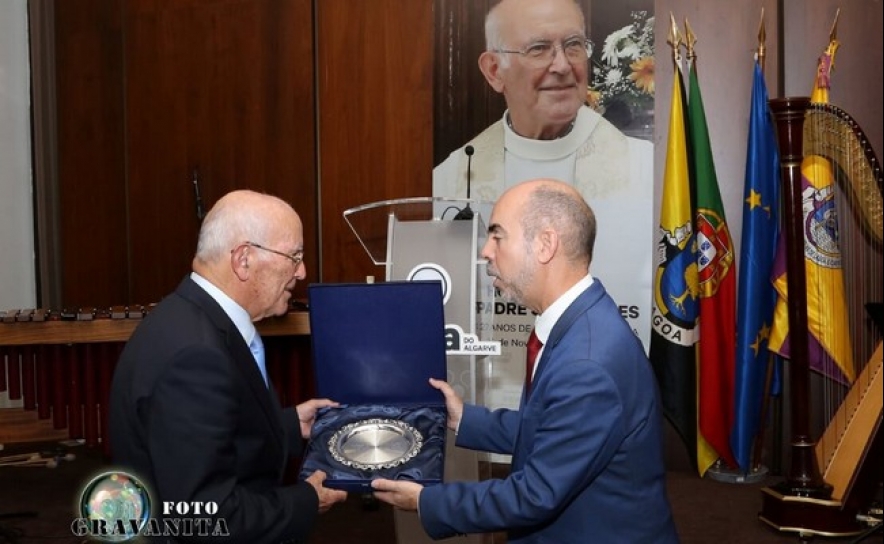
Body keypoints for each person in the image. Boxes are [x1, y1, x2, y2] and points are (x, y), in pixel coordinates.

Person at [372, 179, 679, 543]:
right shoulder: (581, 323)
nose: (486, 251)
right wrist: (463, 418)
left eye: (497, 236)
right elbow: (550, 427)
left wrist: (427, 501)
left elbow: (535, 495)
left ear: (545, 244)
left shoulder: (587, 363)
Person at [434, 0, 656, 407]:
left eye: (574, 45)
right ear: (494, 70)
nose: (562, 65)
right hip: (488, 399)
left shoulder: (646, 169)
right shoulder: (451, 176)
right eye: (539, 48)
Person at [109, 190, 347, 542]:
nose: (302, 271)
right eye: (294, 256)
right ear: (243, 260)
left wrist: (287, 425)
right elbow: (208, 517)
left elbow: (206, 439)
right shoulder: (196, 357)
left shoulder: (190, 315)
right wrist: (306, 500)